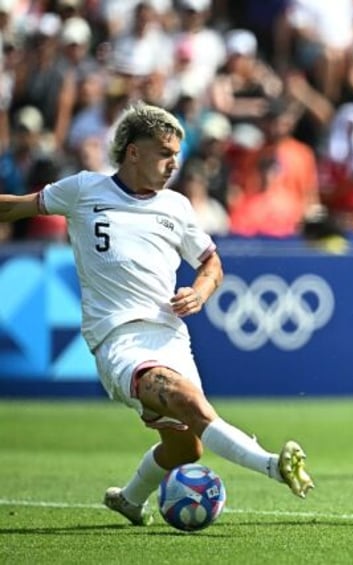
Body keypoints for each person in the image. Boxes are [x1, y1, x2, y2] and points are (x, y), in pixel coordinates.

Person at [0, 101, 313, 526]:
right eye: (164, 153)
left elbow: (212, 264)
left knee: (187, 449)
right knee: (186, 400)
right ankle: (273, 465)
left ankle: (129, 500)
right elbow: (14, 206)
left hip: (170, 335)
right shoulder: (83, 189)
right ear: (133, 151)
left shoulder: (177, 207)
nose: (173, 164)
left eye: (176, 155)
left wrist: (200, 293)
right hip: (119, 338)